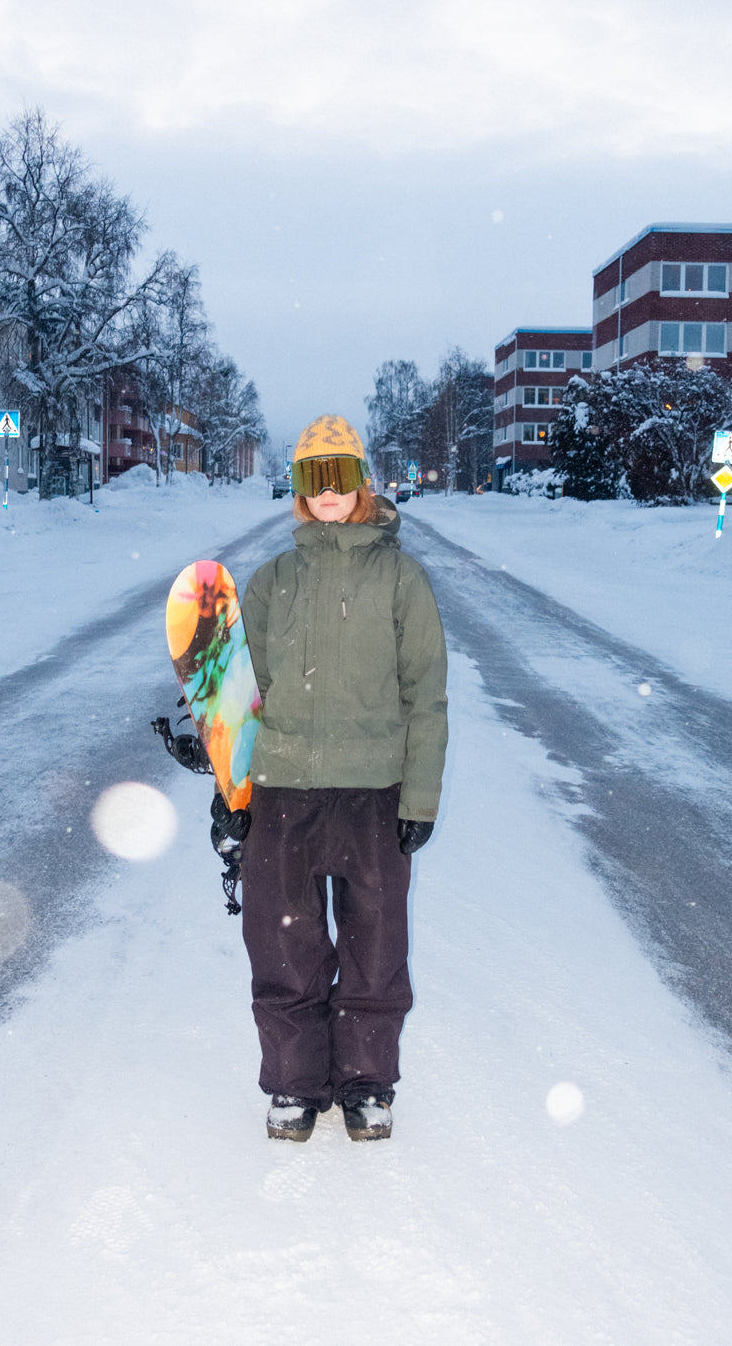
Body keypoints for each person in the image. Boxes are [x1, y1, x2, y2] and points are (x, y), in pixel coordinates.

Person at [236, 414, 448, 1142]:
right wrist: (230, 794)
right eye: (311, 477)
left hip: (373, 791)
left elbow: (426, 693)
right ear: (297, 489)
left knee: (375, 946)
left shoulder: (401, 578)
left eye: (340, 475)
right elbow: (243, 697)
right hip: (283, 791)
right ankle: (295, 1087)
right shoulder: (270, 582)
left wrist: (420, 796)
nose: (327, 492)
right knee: (283, 946)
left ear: (362, 482)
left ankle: (366, 1084)